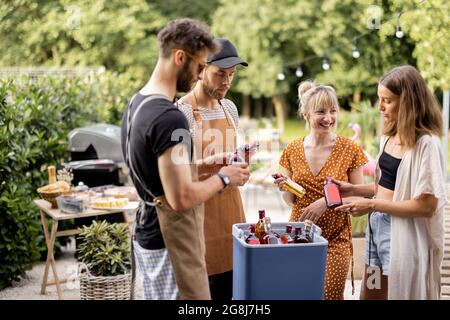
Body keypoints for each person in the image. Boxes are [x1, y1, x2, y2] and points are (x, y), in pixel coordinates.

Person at [120, 19, 250, 300]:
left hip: (148, 231)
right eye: (201, 67)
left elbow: (159, 172)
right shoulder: (171, 116)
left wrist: (204, 164)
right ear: (180, 57)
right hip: (172, 240)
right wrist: (225, 177)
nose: (200, 74)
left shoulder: (137, 103)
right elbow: (180, 198)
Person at [335, 65, 446, 300]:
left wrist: (372, 205)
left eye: (387, 100)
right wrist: (354, 189)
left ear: (408, 102)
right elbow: (389, 186)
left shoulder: (426, 145)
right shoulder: (389, 136)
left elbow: (426, 206)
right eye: (379, 99)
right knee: (372, 293)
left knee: (400, 293)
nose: (380, 107)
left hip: (401, 237)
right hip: (377, 229)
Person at [274, 80, 368, 300]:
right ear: (306, 114)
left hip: (336, 238)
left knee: (329, 295)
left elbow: (357, 195)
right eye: (320, 112)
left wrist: (325, 201)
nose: (328, 118)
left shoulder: (350, 148)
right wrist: (285, 187)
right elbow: (291, 200)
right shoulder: (292, 149)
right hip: (299, 237)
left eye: (333, 111)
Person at [177, 38, 249, 300]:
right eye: (220, 74)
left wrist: (241, 169)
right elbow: (176, 173)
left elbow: (233, 163)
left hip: (232, 216)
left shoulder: (229, 109)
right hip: (200, 221)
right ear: (201, 70)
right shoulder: (181, 113)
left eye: (232, 75)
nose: (227, 82)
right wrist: (211, 166)